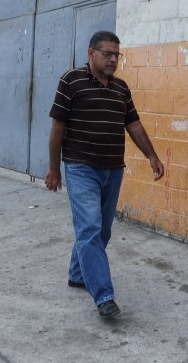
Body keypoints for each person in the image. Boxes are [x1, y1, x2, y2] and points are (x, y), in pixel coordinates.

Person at [45, 30, 165, 318]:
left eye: (117, 55)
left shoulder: (121, 89)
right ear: (91, 53)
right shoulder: (70, 80)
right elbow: (57, 129)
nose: (113, 59)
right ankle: (103, 296)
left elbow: (133, 124)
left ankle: (77, 274)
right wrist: (53, 169)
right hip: (80, 168)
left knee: (102, 230)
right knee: (90, 228)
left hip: (113, 170)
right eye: (107, 54)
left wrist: (152, 155)